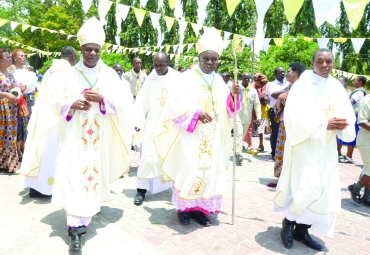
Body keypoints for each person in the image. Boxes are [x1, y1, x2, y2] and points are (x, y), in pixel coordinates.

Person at [47, 17, 133, 251]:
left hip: (98, 140)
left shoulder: (109, 75)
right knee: (74, 177)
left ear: (100, 50)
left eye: (96, 49)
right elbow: (53, 100)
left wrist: (104, 99)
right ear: (81, 49)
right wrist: (71, 104)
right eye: (88, 49)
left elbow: (125, 104)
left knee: (91, 178)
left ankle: (84, 217)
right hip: (74, 138)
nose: (92, 53)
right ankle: (75, 229)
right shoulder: (65, 75)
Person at [153, 28, 241, 227]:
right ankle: (184, 209)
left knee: (208, 172)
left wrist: (233, 96)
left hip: (214, 136)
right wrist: (195, 112)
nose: (209, 62)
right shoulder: (187, 77)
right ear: (199, 57)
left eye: (214, 59)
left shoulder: (219, 80)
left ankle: (199, 209)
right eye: (206, 58)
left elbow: (228, 109)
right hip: (191, 135)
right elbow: (174, 102)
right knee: (190, 169)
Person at [274, 49, 356, 251]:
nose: (324, 65)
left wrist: (342, 125)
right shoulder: (302, 85)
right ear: (312, 63)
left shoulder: (336, 86)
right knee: (303, 186)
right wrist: (323, 125)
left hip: (326, 148)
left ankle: (302, 229)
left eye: (329, 61)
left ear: (333, 63)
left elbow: (347, 113)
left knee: (320, 189)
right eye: (320, 61)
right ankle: (288, 223)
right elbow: (293, 116)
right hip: (305, 146)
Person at [22, 46, 78, 198]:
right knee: (50, 153)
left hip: (44, 115)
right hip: (55, 118)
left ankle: (35, 187)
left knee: (40, 150)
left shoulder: (51, 70)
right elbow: (60, 98)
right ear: (72, 57)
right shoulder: (66, 72)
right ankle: (46, 188)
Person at [132, 52, 181, 205]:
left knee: (172, 157)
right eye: (156, 65)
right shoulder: (150, 79)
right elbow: (141, 102)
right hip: (153, 124)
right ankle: (141, 190)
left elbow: (185, 100)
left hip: (172, 125)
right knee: (148, 157)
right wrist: (138, 122)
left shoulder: (178, 79)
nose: (158, 68)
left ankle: (176, 191)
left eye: (162, 65)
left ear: (168, 63)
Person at [268, 62, 305, 188]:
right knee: (282, 152)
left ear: (295, 72)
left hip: (298, 127)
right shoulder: (288, 86)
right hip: (284, 127)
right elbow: (278, 110)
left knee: (295, 154)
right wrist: (279, 99)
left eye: (288, 71)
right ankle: (281, 180)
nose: (286, 74)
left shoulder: (304, 88)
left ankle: (293, 182)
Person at [8, 49, 35, 162]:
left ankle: (24, 146)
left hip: (28, 100)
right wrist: (18, 88)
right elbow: (9, 85)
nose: (24, 57)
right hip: (16, 100)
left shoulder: (28, 69)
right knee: (19, 124)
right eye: (21, 56)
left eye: (25, 56)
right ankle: (17, 150)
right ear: (15, 58)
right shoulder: (10, 70)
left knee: (27, 124)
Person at [337, 76, 367, 163]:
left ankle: (349, 156)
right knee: (344, 133)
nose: (353, 82)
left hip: (353, 116)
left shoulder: (359, 92)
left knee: (350, 134)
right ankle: (339, 153)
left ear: (360, 82)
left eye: (355, 81)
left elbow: (351, 101)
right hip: (351, 115)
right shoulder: (358, 91)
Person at [348, 93, 370, 206]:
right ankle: (355, 188)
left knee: (368, 169)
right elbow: (362, 121)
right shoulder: (366, 101)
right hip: (366, 141)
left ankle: (367, 196)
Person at [235, 72, 261, 161]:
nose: (246, 80)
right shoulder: (236, 88)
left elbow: (257, 104)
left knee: (241, 136)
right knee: (239, 133)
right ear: (241, 78)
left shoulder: (253, 91)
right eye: (244, 78)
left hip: (247, 117)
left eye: (248, 78)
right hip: (237, 115)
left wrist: (259, 117)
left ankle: (236, 150)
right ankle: (239, 154)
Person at [267, 67, 289, 160]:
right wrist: (287, 88)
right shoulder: (271, 84)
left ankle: (283, 152)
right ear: (275, 74)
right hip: (275, 111)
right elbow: (274, 94)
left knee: (285, 133)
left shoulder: (288, 83)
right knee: (275, 133)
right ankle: (274, 153)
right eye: (280, 72)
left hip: (286, 111)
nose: (283, 74)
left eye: (284, 72)